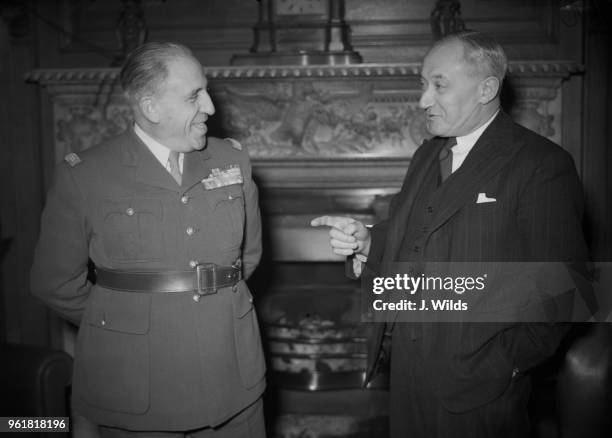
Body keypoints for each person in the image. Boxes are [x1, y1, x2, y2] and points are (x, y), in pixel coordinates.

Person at [312, 31, 589, 437]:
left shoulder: (541, 164)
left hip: (480, 390)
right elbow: (417, 232)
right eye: (422, 84)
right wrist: (369, 241)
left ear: (487, 89)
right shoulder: (428, 153)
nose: (423, 100)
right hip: (407, 377)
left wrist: (503, 366)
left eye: (438, 85)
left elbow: (569, 289)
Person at [30, 42, 266, 437]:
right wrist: (127, 321)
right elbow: (53, 282)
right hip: (135, 394)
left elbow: (249, 257)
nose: (209, 106)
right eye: (194, 96)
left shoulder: (232, 161)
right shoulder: (86, 175)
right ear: (151, 108)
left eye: (205, 91)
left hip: (232, 382)